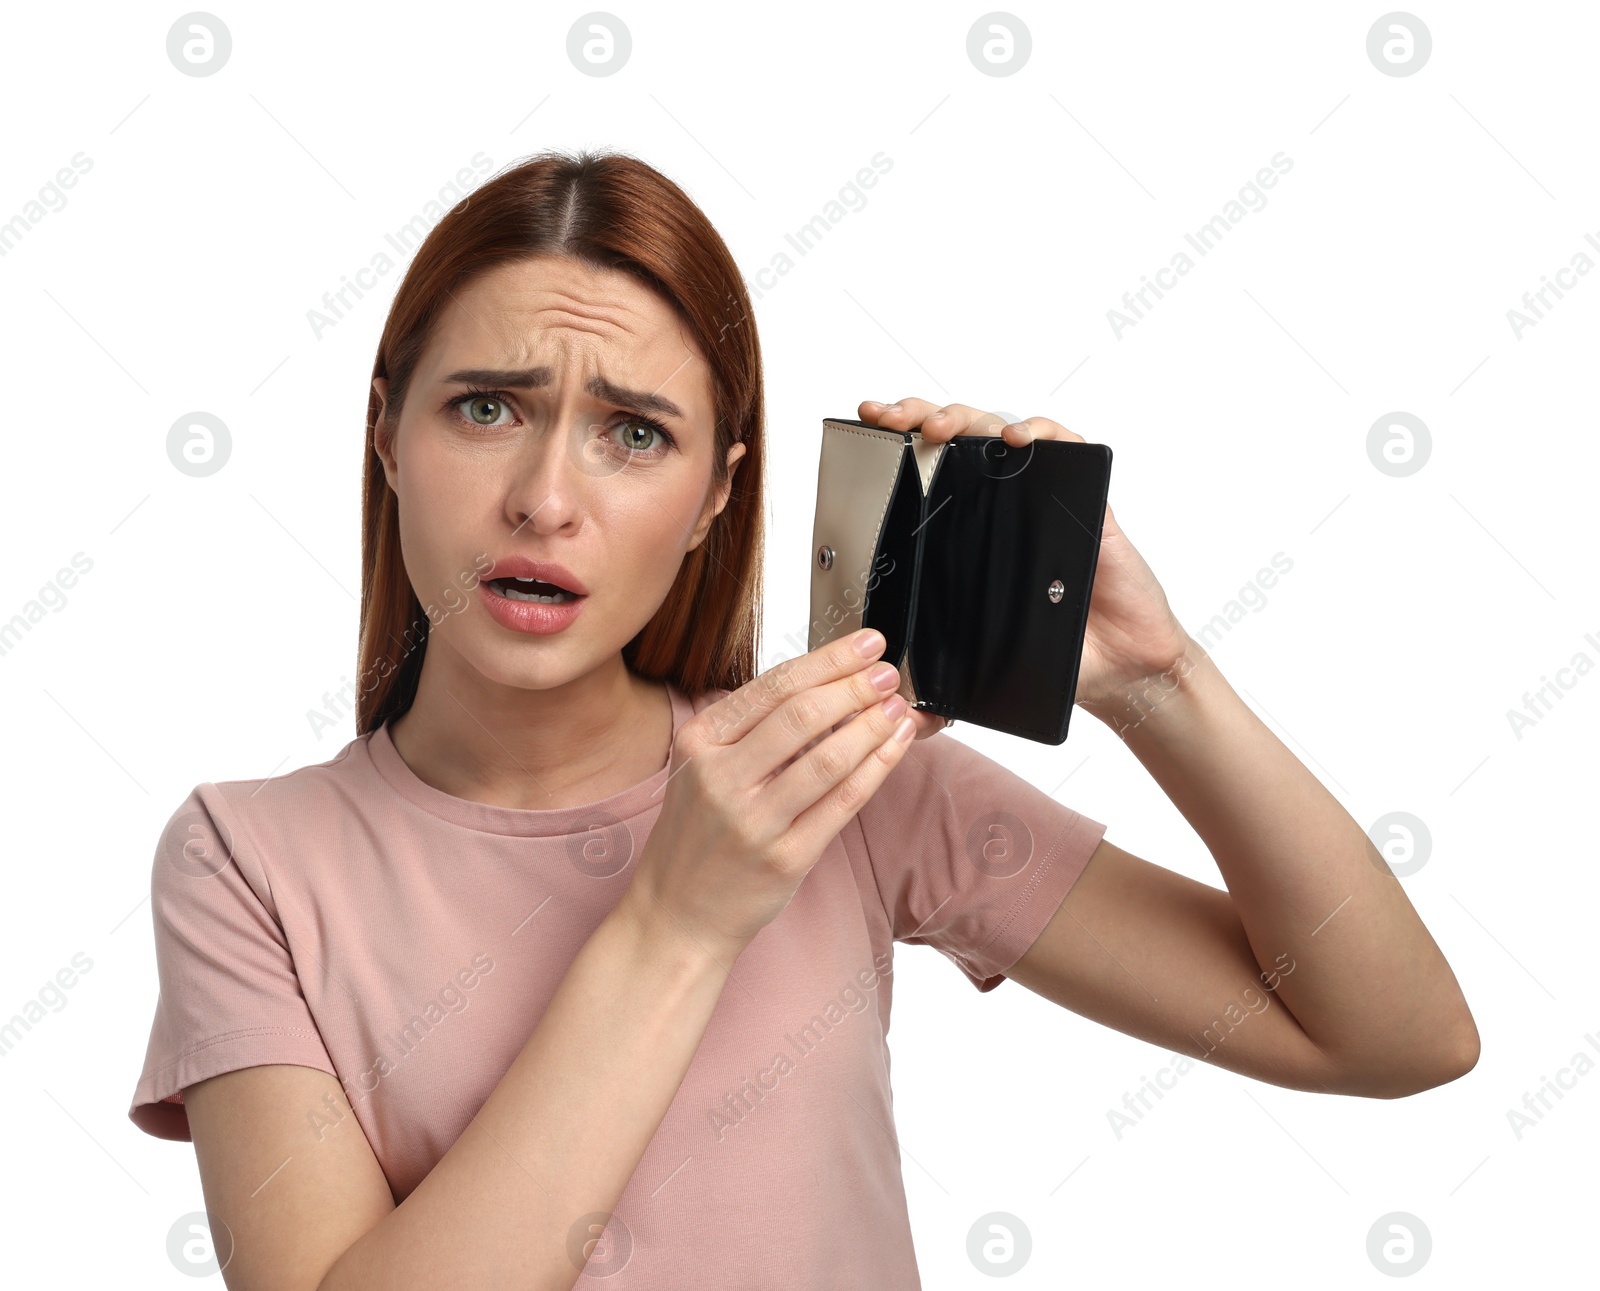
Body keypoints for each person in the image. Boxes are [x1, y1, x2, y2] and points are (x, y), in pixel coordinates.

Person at [128, 149, 1479, 1290]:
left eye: (634, 434)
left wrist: (1159, 682)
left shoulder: (840, 777)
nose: (546, 498)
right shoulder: (247, 859)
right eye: (488, 408)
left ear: (719, 497)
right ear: (386, 436)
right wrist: (679, 917)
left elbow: (1395, 1038)